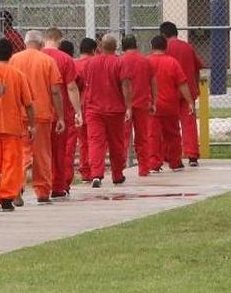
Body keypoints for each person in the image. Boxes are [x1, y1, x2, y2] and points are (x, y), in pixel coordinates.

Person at [9, 30, 65, 204]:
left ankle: (16, 187)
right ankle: (42, 191)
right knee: (42, 155)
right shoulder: (47, 61)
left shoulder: (14, 59)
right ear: (41, 44)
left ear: (25, 43)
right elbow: (55, 91)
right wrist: (61, 116)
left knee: (20, 153)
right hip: (41, 114)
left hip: (18, 114)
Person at [81, 34, 132, 187]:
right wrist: (128, 105)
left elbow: (85, 83)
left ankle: (96, 174)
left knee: (95, 142)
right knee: (116, 143)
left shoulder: (90, 63)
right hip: (115, 109)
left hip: (94, 109)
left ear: (100, 47)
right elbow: (125, 85)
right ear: (116, 47)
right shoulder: (120, 62)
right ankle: (117, 174)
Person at [0, 38, 35, 212]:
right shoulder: (17, 75)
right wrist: (32, 125)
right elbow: (28, 104)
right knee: (11, 164)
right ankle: (7, 197)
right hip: (12, 126)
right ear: (11, 54)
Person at [42, 27, 83, 198]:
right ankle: (58, 185)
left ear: (45, 39)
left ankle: (42, 185)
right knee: (60, 151)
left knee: (41, 152)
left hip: (38, 111)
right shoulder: (65, 59)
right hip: (60, 111)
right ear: (59, 40)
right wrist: (78, 111)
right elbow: (71, 87)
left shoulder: (37, 56)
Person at [160, 21, 204, 166]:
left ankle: (169, 154)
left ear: (163, 35)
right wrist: (195, 87)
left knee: (168, 125)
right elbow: (197, 68)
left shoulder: (164, 48)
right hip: (188, 90)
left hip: (169, 90)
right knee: (189, 123)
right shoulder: (188, 47)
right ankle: (192, 155)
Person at [148, 36, 194, 172]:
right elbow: (182, 83)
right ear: (166, 47)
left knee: (152, 135)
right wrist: (190, 101)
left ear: (152, 46)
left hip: (151, 105)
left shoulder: (146, 61)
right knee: (173, 134)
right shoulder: (172, 62)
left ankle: (154, 163)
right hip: (170, 104)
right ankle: (175, 162)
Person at [119, 34, 155, 177]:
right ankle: (144, 168)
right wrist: (154, 101)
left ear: (123, 46)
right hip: (142, 102)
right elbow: (153, 82)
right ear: (136, 45)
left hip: (124, 104)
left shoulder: (120, 61)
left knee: (122, 138)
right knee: (142, 137)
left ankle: (119, 168)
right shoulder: (145, 61)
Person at [72, 37, 97, 182]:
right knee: (94, 140)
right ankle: (94, 169)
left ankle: (85, 171)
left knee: (82, 141)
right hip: (94, 105)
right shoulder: (95, 63)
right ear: (93, 50)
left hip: (78, 105)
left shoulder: (74, 64)